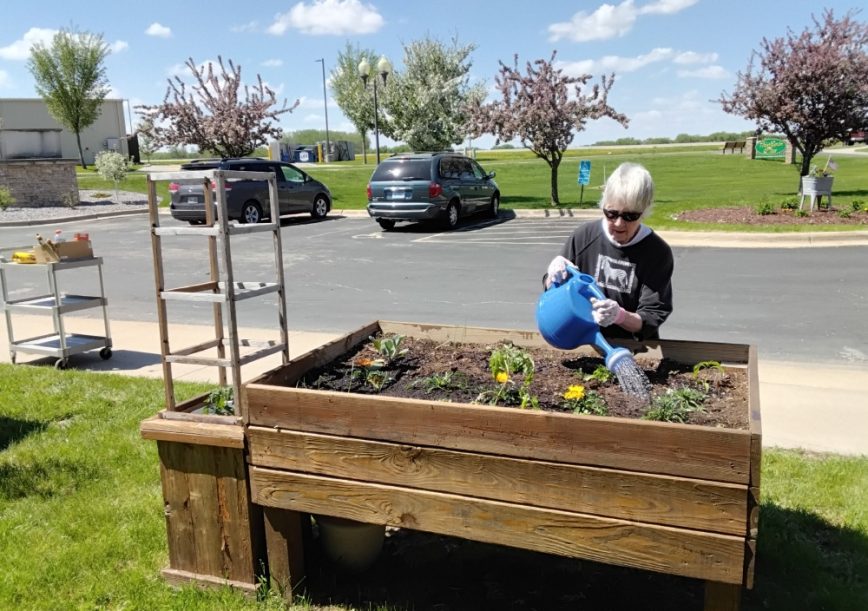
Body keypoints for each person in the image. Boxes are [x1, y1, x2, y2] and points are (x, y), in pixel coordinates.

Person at [543, 162, 673, 340]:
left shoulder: (657, 252)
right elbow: (553, 291)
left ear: (644, 210)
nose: (619, 223)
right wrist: (552, 277)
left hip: (631, 346)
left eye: (630, 216)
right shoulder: (584, 236)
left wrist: (620, 316)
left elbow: (651, 316)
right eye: (612, 213)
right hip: (583, 339)